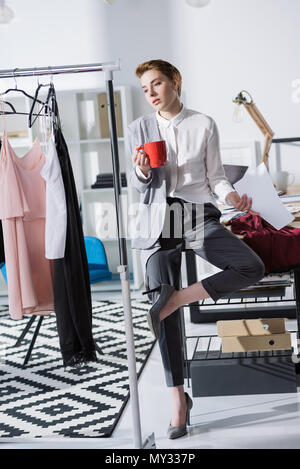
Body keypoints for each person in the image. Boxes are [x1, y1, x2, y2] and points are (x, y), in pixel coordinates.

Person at [127, 59, 265, 439]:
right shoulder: (138, 128)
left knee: (249, 266)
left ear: (175, 82)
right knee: (160, 298)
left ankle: (179, 298)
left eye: (156, 84)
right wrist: (142, 170)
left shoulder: (204, 123)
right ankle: (177, 398)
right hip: (160, 216)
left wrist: (232, 194)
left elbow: (216, 177)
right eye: (144, 89)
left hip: (194, 215)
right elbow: (140, 185)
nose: (151, 93)